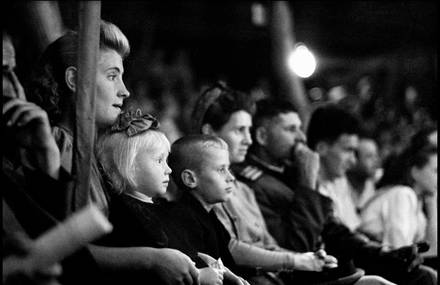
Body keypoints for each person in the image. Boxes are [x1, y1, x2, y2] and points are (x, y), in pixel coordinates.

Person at [26, 21, 200, 285]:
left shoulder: (89, 150)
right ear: (74, 80)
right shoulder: (58, 147)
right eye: (111, 76)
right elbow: (65, 252)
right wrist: (151, 258)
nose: (124, 90)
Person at [237, 98, 433, 284]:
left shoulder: (289, 173)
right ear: (262, 136)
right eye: (290, 129)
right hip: (302, 276)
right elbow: (297, 248)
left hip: (330, 269)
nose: (301, 138)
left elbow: (335, 231)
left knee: (421, 275)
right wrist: (307, 184)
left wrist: (385, 253)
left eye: (299, 128)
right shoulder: (252, 184)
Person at [192, 82, 338, 285]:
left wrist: (311, 260)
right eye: (239, 130)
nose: (248, 140)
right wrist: (298, 260)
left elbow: (269, 244)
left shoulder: (243, 189)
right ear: (210, 132)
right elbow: (231, 248)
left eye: (248, 131)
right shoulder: (202, 187)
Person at [306, 103, 436, 284]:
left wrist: (384, 252)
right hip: (328, 269)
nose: (352, 160)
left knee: (424, 275)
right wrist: (386, 252)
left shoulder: (339, 182)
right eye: (348, 151)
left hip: (354, 262)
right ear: (322, 148)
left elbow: (350, 232)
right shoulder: (306, 185)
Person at [166, 134, 251, 285]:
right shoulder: (184, 219)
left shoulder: (208, 212)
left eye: (228, 169)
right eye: (221, 170)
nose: (230, 177)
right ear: (191, 179)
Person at [358, 145, 437, 249]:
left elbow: (431, 250)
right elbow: (398, 247)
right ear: (415, 172)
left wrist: (432, 206)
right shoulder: (402, 194)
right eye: (436, 171)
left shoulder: (418, 202)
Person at [346, 136, 381, 212]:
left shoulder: (370, 185)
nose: (376, 160)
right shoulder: (339, 184)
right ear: (354, 159)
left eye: (376, 156)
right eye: (369, 156)